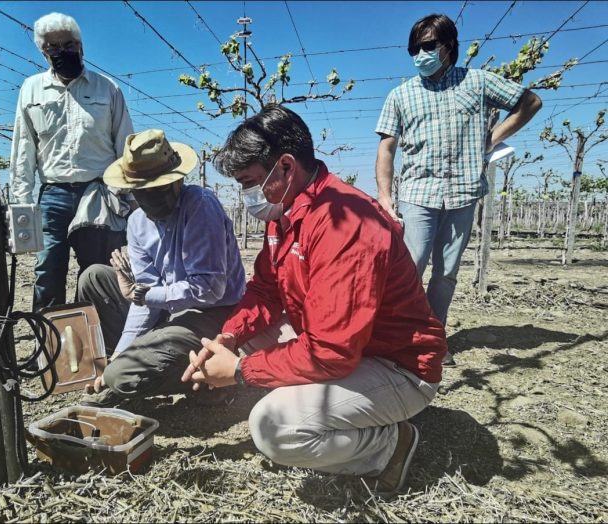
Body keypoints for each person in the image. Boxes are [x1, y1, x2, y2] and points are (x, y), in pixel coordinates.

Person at [182, 105, 447, 496]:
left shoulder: (347, 223)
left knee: (274, 428)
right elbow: (266, 289)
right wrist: (229, 339)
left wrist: (240, 372)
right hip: (346, 345)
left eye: (249, 182)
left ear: (286, 167)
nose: (246, 195)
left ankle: (389, 447)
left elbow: (331, 352)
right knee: (247, 341)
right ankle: (330, 408)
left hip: (397, 366)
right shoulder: (286, 210)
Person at [374, 13, 542, 365]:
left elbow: (530, 102)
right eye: (414, 48)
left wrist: (493, 137)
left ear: (449, 46)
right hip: (419, 195)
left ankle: (434, 338)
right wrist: (385, 197)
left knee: (447, 272)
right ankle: (400, 337)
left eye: (428, 46)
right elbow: (386, 148)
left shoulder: (478, 83)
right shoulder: (401, 95)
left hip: (464, 192)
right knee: (409, 271)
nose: (420, 54)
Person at [79, 129, 246, 407]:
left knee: (122, 377)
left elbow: (208, 291)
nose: (150, 200)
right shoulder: (136, 223)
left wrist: (141, 294)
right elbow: (144, 298)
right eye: (142, 192)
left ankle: (209, 379)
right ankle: (117, 365)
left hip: (214, 314)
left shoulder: (200, 207)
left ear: (178, 181)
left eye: (158, 189)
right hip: (172, 312)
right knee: (94, 277)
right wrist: (121, 352)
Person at [10, 12, 135, 311]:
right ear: (44, 52)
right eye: (53, 47)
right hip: (53, 194)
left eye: (68, 44)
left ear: (81, 46)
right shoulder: (31, 89)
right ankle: (50, 343)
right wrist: (21, 207)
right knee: (47, 269)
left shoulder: (108, 89)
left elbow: (125, 146)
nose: (62, 51)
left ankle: (95, 339)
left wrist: (128, 199)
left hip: (98, 194)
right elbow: (23, 149)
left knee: (96, 270)